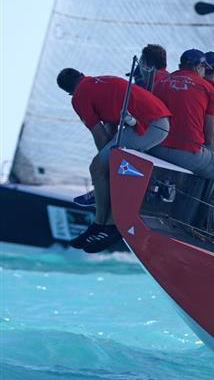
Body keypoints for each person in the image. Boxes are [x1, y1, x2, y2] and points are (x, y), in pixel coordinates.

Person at [57, 68, 171, 253]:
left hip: (149, 126)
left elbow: (100, 136)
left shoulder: (78, 97)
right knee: (106, 165)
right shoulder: (102, 80)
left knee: (98, 167)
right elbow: (111, 125)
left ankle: (105, 224)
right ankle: (101, 223)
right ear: (82, 74)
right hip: (159, 123)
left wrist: (103, 168)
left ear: (69, 92)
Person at [151, 49, 214, 248]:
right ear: (200, 67)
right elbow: (209, 134)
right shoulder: (206, 88)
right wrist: (211, 156)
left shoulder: (161, 82)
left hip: (156, 149)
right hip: (186, 152)